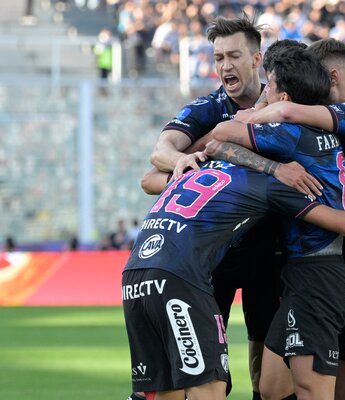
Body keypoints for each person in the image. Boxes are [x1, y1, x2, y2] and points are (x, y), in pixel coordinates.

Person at [123, 159, 345, 400]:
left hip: (134, 275)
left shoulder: (205, 168)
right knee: (208, 388)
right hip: (179, 279)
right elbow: (342, 222)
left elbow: (149, 180)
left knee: (166, 391)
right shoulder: (265, 183)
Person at [234, 38, 345, 400]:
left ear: (329, 77)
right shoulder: (329, 124)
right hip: (342, 256)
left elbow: (285, 113)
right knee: (343, 387)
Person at [136, 14, 283, 400]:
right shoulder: (208, 109)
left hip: (270, 253)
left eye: (233, 55)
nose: (224, 66)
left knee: (264, 372)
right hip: (208, 260)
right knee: (201, 374)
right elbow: (157, 161)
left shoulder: (284, 103)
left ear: (256, 59)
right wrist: (183, 166)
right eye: (218, 57)